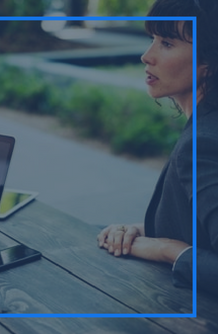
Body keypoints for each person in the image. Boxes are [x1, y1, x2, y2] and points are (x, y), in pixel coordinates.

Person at [97, 0, 218, 298]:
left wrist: (166, 249)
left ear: (208, 64)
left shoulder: (201, 145)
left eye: (166, 43)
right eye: (152, 39)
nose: (146, 56)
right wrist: (144, 230)